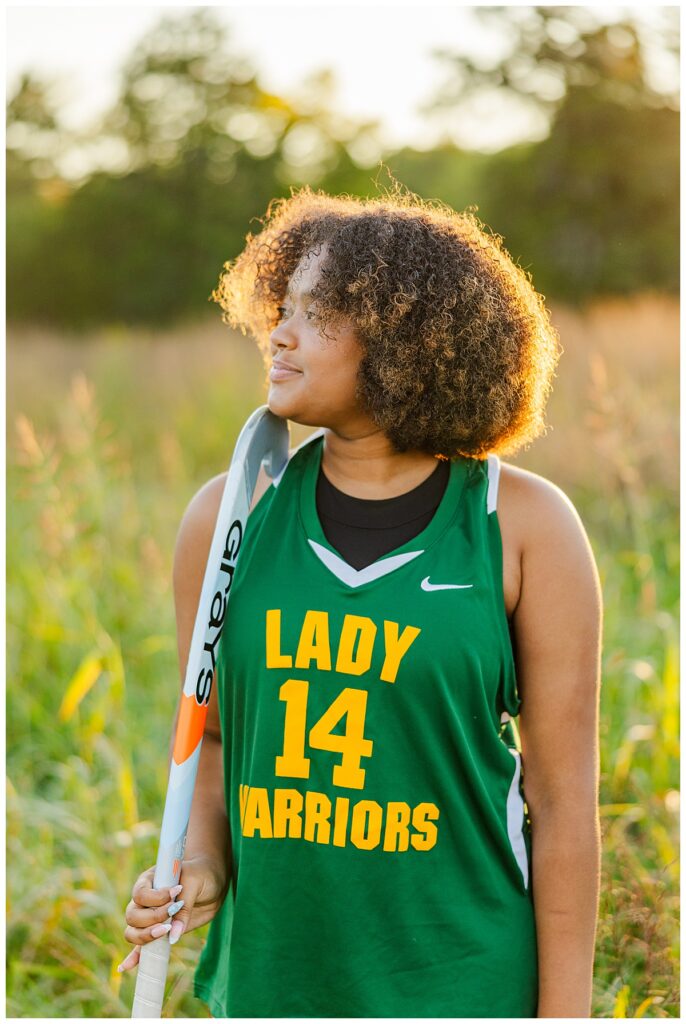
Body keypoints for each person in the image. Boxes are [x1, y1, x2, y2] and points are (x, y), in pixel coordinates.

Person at [118, 185, 602, 1017]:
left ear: (408, 339)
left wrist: (566, 1015)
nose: (280, 332)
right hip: (275, 978)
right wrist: (198, 867)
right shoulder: (229, 514)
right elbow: (213, 743)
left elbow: (561, 806)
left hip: (461, 978)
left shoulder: (522, 526)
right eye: (284, 305)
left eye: (319, 314)